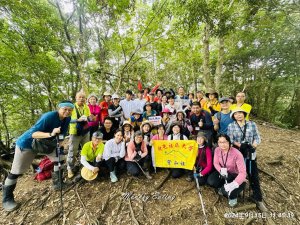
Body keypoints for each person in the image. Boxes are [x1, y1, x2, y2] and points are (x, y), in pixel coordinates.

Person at [2, 100, 74, 212]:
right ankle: (7, 199)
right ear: (58, 108)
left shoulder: (67, 119)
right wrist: (51, 134)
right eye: (65, 109)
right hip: (27, 144)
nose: (67, 111)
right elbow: (33, 134)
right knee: (16, 171)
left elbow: (61, 135)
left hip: (47, 144)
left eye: (70, 110)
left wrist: (58, 145)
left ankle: (58, 183)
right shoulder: (48, 117)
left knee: (59, 159)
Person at [227, 108, 267, 211]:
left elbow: (257, 137)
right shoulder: (231, 126)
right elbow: (230, 139)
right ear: (233, 116)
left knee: (253, 174)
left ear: (244, 114)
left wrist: (253, 145)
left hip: (250, 152)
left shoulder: (252, 124)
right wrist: (240, 145)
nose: (238, 115)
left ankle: (258, 198)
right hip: (238, 153)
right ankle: (238, 190)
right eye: (236, 114)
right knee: (238, 172)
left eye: (240, 113)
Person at [207, 134, 247, 207]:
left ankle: (233, 195)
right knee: (211, 181)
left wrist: (234, 183)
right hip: (224, 172)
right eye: (220, 142)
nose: (222, 144)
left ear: (229, 142)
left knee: (227, 192)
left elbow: (242, 173)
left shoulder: (237, 154)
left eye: (225, 142)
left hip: (236, 175)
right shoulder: (217, 150)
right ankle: (223, 187)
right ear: (218, 143)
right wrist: (221, 170)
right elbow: (215, 163)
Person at [67, 91, 94, 179]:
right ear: (76, 97)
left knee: (86, 148)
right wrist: (77, 120)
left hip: (85, 131)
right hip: (74, 132)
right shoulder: (71, 107)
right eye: (80, 97)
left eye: (83, 97)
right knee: (73, 151)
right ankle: (70, 168)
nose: (81, 99)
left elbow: (90, 118)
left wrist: (90, 118)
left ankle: (86, 166)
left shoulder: (86, 107)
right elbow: (67, 120)